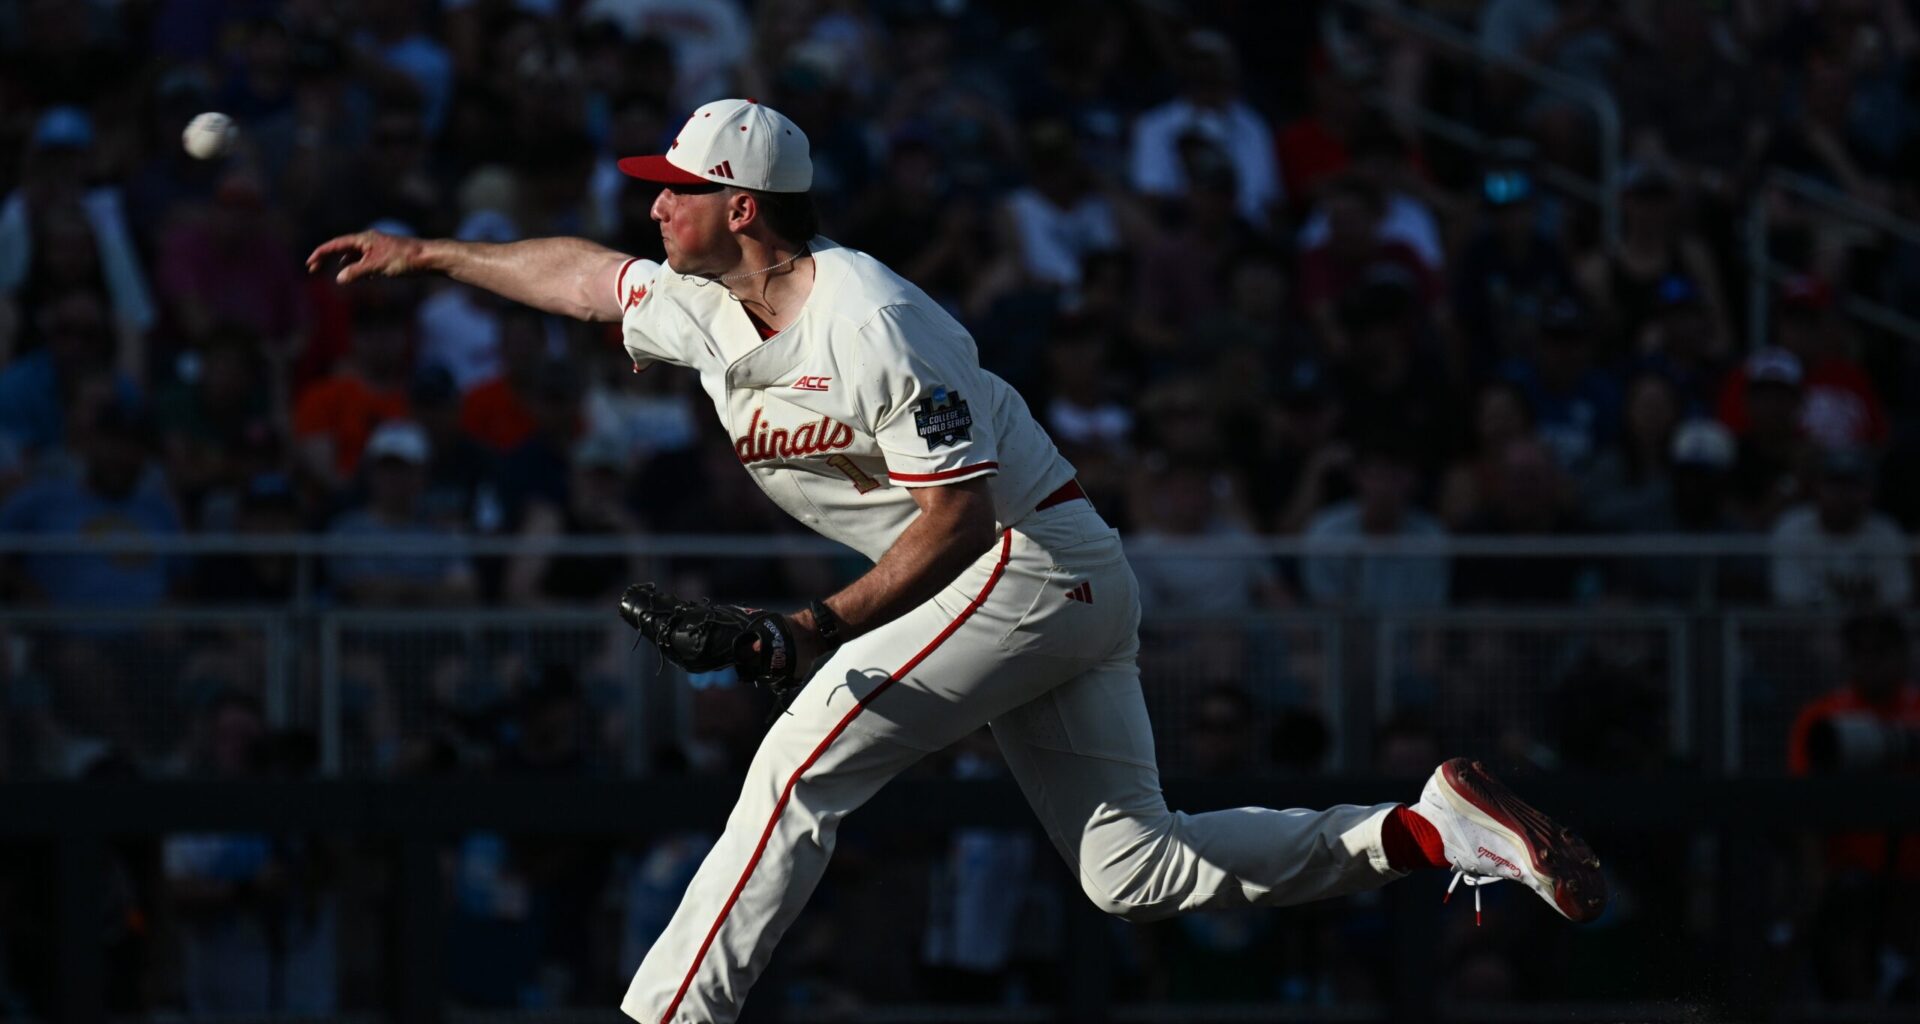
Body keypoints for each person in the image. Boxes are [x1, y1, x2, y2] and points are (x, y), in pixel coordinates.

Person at [309, 97, 1607, 1024]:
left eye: (675, 186)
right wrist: (430, 252)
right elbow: (585, 279)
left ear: (740, 205)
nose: (654, 203)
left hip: (1025, 558)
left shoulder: (872, 316)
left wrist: (807, 629)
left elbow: (958, 519)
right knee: (1132, 873)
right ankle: (1421, 832)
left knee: (797, 762)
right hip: (1049, 580)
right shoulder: (704, 302)